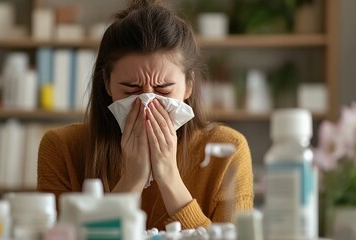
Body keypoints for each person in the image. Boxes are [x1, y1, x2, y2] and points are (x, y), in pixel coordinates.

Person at [37, 0, 253, 230]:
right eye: (131, 90)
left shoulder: (227, 151)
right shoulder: (62, 148)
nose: (147, 102)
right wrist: (132, 179)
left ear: (189, 85)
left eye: (163, 90)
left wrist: (169, 176)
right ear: (107, 84)